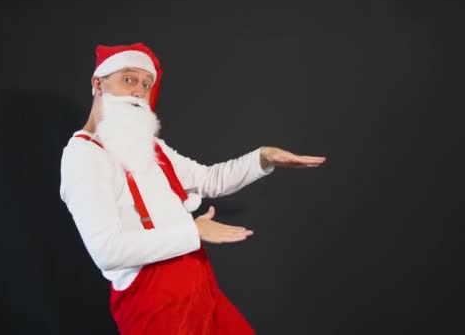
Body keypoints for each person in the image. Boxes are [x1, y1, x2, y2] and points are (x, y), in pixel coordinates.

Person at [59, 42, 326, 334]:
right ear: (98, 83)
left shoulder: (151, 147)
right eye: (128, 79)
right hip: (155, 308)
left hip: (199, 286)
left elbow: (210, 178)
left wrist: (262, 158)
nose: (138, 91)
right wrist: (193, 232)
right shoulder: (83, 156)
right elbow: (107, 251)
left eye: (146, 85)